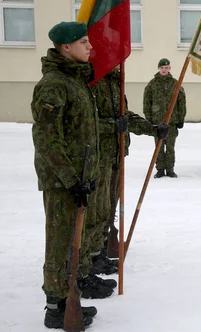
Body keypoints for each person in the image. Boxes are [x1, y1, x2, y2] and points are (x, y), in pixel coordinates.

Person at [32, 21, 103, 328]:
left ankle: (66, 296)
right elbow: (47, 139)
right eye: (83, 42)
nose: (90, 47)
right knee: (59, 241)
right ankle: (55, 307)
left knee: (71, 243)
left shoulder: (75, 81)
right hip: (63, 182)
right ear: (66, 47)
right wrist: (71, 180)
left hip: (78, 179)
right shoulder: (54, 84)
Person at [92, 66, 169, 267]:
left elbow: (125, 117)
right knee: (97, 210)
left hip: (117, 155)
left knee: (109, 207)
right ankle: (92, 257)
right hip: (99, 157)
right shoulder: (93, 81)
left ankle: (101, 252)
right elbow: (86, 122)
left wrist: (152, 129)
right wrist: (113, 126)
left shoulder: (115, 83)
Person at [143, 58, 187, 178]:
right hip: (157, 122)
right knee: (159, 147)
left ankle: (170, 168)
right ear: (158, 68)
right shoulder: (152, 84)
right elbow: (147, 102)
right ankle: (160, 169)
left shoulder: (175, 84)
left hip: (171, 122)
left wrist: (181, 118)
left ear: (169, 69)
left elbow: (181, 102)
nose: (164, 70)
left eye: (166, 68)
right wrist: (149, 119)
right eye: (162, 68)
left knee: (170, 147)